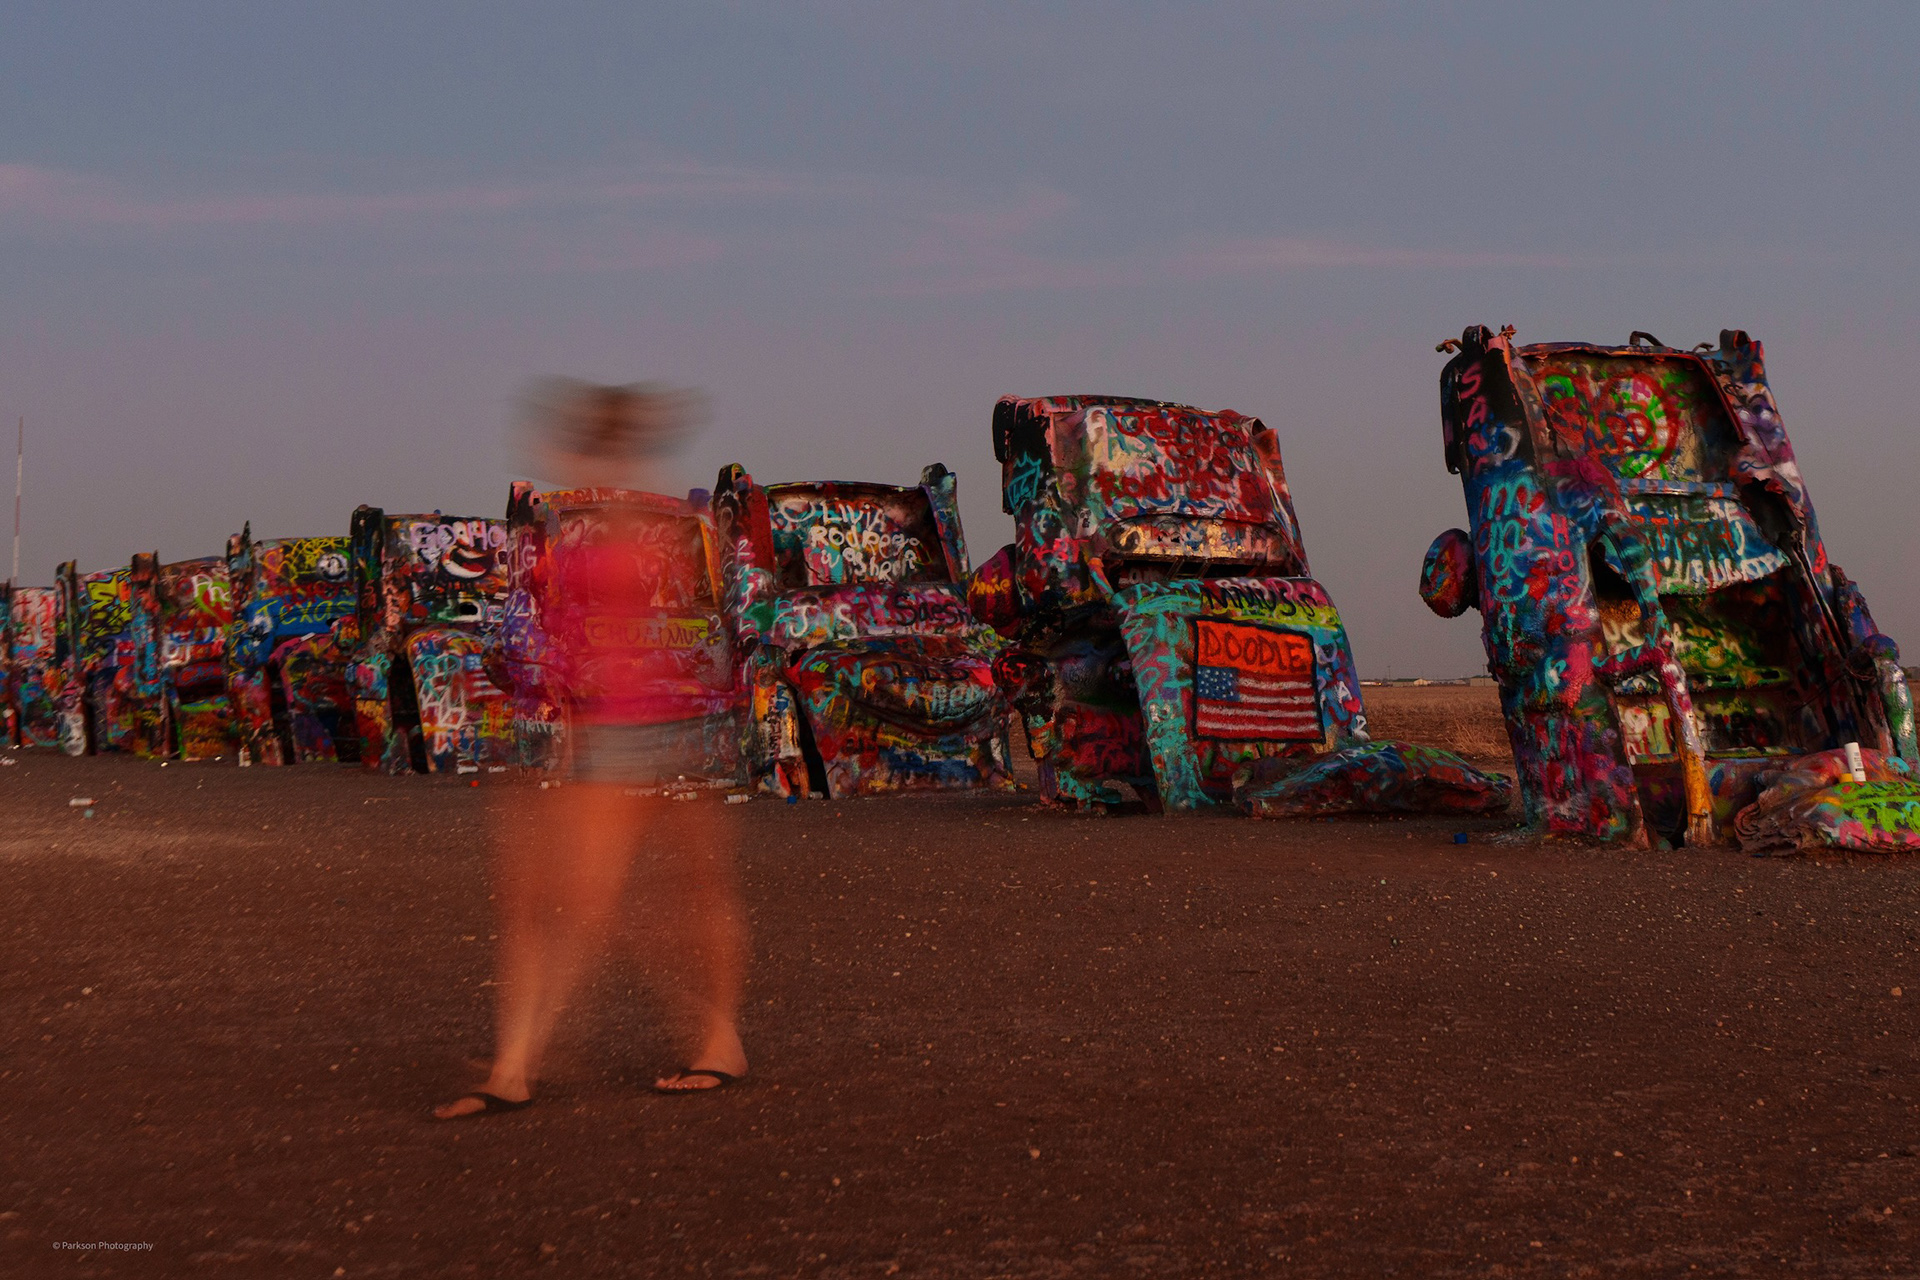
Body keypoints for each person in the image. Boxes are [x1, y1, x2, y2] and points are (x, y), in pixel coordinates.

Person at [436, 381, 747, 1118]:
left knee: (660, 894)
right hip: (623, 727)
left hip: (658, 722)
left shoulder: (644, 524)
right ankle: (518, 1065)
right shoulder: (624, 524)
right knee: (583, 897)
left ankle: (711, 1042)